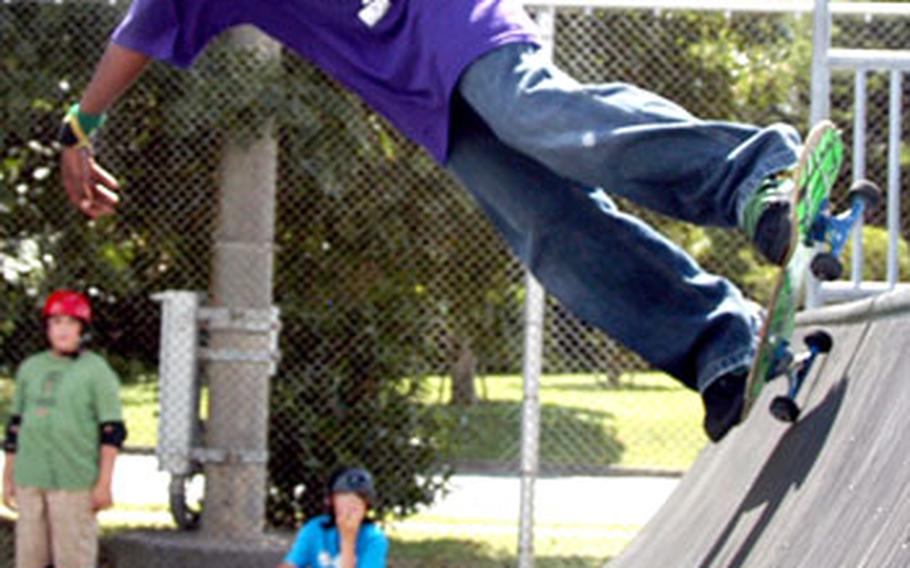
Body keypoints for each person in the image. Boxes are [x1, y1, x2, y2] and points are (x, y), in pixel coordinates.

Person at [56, 0, 835, 442]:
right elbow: (136, 38)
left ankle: (757, 174)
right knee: (550, 231)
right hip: (418, 101)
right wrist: (78, 130)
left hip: (455, 22)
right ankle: (717, 340)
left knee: (539, 116)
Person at [2, 290, 127, 568]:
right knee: (29, 557)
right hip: (31, 477)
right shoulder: (31, 368)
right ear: (47, 328)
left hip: (74, 480)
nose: (62, 330)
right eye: (56, 322)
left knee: (73, 557)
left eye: (70, 323)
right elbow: (16, 427)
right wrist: (8, 474)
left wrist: (104, 483)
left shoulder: (96, 370)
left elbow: (112, 430)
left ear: (82, 330)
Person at [279, 467, 388, 568]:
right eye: (345, 497)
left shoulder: (374, 538)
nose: (352, 506)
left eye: (360, 499)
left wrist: (348, 540)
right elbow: (290, 564)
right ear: (330, 500)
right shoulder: (315, 528)